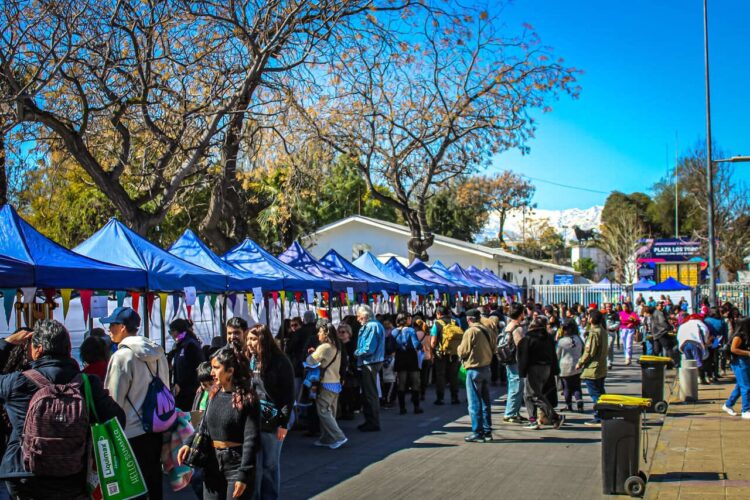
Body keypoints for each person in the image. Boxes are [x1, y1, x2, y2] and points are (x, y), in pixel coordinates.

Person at [0, 321, 124, 499]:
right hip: (73, 471)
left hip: (25, 473)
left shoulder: (17, 383)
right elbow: (118, 420)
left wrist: (7, 343)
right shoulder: (88, 383)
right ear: (68, 349)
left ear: (37, 350)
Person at [103, 307, 170, 500]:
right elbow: (166, 386)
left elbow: (114, 400)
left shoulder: (121, 357)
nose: (109, 329)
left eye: (112, 325)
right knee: (154, 483)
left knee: (133, 489)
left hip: (131, 432)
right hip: (157, 426)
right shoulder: (159, 353)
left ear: (123, 327)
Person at [178, 342, 259, 500]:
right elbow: (203, 425)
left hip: (237, 464)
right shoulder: (214, 393)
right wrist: (188, 443)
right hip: (212, 462)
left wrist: (244, 474)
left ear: (230, 371)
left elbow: (251, 439)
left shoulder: (247, 399)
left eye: (216, 368)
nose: (212, 372)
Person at [245, 324, 295, 500]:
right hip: (254, 418)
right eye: (248, 339)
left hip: (274, 419)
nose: (249, 343)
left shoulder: (280, 361)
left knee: (270, 465)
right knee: (253, 463)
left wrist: (283, 424)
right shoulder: (250, 359)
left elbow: (288, 395)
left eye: (253, 339)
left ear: (263, 339)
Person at [517, 316, 564, 430]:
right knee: (529, 395)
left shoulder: (528, 338)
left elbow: (523, 356)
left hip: (534, 368)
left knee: (533, 395)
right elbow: (553, 354)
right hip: (546, 368)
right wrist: (555, 370)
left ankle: (555, 416)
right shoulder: (548, 338)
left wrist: (522, 371)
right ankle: (532, 419)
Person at [306, 323, 347, 449]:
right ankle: (326, 439)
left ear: (326, 334)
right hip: (335, 382)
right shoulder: (336, 346)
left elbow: (310, 361)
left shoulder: (324, 347)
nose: (318, 334)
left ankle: (339, 437)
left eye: (320, 332)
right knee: (330, 412)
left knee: (323, 412)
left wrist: (312, 353)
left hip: (325, 383)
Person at [458, 309, 497, 442]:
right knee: (486, 402)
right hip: (486, 368)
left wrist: (459, 350)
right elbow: (494, 348)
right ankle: (487, 431)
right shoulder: (488, 330)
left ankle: (477, 432)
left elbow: (463, 351)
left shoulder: (471, 331)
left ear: (469, 319)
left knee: (474, 402)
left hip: (474, 369)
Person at [354, 305, 385, 432]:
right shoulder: (375, 325)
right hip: (372, 362)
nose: (357, 319)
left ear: (365, 315)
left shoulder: (371, 326)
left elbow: (369, 348)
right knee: (369, 393)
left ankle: (373, 422)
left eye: (359, 316)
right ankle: (370, 421)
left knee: (370, 393)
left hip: (370, 362)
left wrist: (357, 353)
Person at [577, 309, 608, 426]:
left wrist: (580, 362)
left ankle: (599, 416)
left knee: (595, 394)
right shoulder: (603, 331)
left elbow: (589, 352)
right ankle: (605, 413)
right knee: (601, 391)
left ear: (591, 319)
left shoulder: (594, 333)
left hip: (593, 368)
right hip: (601, 366)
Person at [168, 318, 206, 411]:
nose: (171, 335)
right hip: (180, 392)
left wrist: (181, 384)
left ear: (177, 331)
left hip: (190, 392)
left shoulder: (190, 345)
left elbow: (197, 367)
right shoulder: (178, 345)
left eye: (171, 332)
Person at [502, 303, 528, 424]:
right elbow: (521, 346)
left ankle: (515, 412)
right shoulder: (517, 328)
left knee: (514, 385)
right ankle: (510, 413)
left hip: (509, 360)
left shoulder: (508, 326)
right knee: (516, 387)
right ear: (521, 314)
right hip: (516, 361)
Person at [431, 306, 462, 405]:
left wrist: (433, 351)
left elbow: (433, 342)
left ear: (439, 313)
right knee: (453, 375)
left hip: (441, 354)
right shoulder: (455, 322)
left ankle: (440, 398)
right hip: (454, 353)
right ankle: (455, 397)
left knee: (440, 375)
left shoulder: (437, 323)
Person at [393, 314, 423, 415]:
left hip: (399, 357)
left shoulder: (394, 331)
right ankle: (416, 407)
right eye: (409, 318)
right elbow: (416, 345)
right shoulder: (411, 330)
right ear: (405, 320)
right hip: (411, 357)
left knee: (401, 383)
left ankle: (402, 408)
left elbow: (390, 347)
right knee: (415, 382)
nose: (411, 319)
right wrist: (420, 346)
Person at [722, 318, 750, 418]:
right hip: (739, 362)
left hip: (745, 361)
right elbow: (733, 349)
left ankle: (728, 404)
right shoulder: (739, 336)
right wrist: (748, 353)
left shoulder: (746, 335)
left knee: (740, 385)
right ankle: (745, 410)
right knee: (746, 387)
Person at [557, 319, 584, 412]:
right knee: (577, 386)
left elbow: (557, 355)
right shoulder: (578, 339)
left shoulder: (561, 341)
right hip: (577, 365)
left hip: (565, 367)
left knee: (567, 387)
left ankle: (569, 405)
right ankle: (580, 404)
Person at [335, 323, 359, 420]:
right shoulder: (337, 345)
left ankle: (350, 411)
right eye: (339, 332)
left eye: (343, 332)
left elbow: (354, 359)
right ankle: (343, 411)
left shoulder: (352, 345)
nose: (340, 334)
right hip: (339, 371)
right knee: (342, 392)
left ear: (349, 333)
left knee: (349, 392)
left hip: (350, 372)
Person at [415, 318, 432, 401]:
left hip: (417, 358)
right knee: (424, 376)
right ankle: (423, 393)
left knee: (416, 376)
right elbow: (432, 346)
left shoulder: (415, 334)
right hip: (427, 357)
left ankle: (416, 393)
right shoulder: (428, 334)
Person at [604, 303, 619, 369]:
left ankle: (609, 362)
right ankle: (606, 361)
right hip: (604, 333)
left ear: (612, 307)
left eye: (609, 307)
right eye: (607, 307)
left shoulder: (615, 314)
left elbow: (617, 324)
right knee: (605, 347)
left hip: (611, 333)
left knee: (609, 347)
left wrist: (610, 327)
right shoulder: (603, 314)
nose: (608, 308)